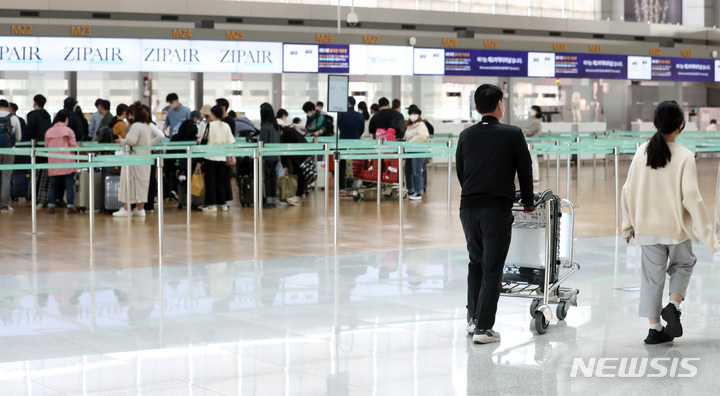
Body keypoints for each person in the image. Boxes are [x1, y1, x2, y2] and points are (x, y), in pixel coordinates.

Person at [622, 100, 719, 345]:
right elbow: (693, 199)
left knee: (651, 278)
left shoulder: (640, 151)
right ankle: (673, 306)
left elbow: (627, 190)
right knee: (684, 265)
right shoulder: (685, 156)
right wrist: (710, 237)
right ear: (681, 125)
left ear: (655, 124)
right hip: (676, 229)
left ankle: (655, 330)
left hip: (645, 228)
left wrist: (627, 225)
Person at [456, 84, 534, 344]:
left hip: (468, 207)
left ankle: (472, 320)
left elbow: (461, 170)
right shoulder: (512, 134)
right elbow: (524, 168)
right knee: (492, 268)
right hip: (495, 209)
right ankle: (484, 329)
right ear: (500, 105)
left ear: (477, 108)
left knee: (475, 262)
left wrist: (472, 193)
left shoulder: (466, 135)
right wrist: (527, 199)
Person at [113, 103, 164, 217]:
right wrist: (148, 145)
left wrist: (121, 141)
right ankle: (140, 209)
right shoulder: (147, 125)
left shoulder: (136, 126)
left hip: (133, 158)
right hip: (145, 157)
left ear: (132, 115)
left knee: (128, 181)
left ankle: (126, 209)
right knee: (142, 183)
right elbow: (160, 135)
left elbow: (131, 141)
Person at [200, 105, 235, 213]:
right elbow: (230, 142)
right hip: (222, 157)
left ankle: (211, 204)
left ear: (213, 114)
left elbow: (202, 140)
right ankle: (222, 204)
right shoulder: (226, 126)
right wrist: (229, 156)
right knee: (221, 181)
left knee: (210, 181)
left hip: (210, 156)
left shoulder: (209, 125)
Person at [44, 110, 78, 215]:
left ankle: (51, 206)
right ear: (66, 119)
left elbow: (47, 147)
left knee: (54, 185)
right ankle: (70, 206)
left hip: (53, 162)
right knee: (69, 185)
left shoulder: (48, 132)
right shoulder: (69, 131)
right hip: (67, 162)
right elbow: (73, 146)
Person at [27, 94, 52, 208]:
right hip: (47, 148)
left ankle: (32, 198)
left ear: (35, 103)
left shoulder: (32, 115)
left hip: (36, 148)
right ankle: (42, 200)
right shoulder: (47, 116)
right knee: (44, 176)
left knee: (35, 174)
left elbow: (29, 131)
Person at [337, 96, 365, 193]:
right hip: (355, 144)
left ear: (348, 103)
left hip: (342, 143)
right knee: (352, 165)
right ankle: (349, 186)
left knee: (342, 166)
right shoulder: (360, 116)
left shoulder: (340, 115)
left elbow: (339, 127)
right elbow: (362, 129)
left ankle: (341, 187)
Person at [0, 99, 22, 213]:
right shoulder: (13, 118)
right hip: (9, 150)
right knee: (6, 178)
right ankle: (4, 205)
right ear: (8, 106)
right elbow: (18, 137)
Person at [280, 125, 311, 206]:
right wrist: (285, 166)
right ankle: (297, 195)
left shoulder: (290, 132)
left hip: (301, 157)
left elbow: (301, 141)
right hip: (296, 158)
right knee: (298, 175)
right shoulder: (286, 134)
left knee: (301, 176)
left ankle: (298, 196)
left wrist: (307, 156)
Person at [405, 105, 430, 201]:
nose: (412, 115)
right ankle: (410, 190)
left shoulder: (421, 125)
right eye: (410, 114)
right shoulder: (410, 126)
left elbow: (423, 136)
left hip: (418, 150)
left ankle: (418, 191)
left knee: (416, 171)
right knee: (408, 171)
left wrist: (410, 142)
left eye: (414, 114)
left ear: (419, 115)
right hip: (409, 150)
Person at [259, 103, 281, 208]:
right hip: (275, 155)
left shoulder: (265, 126)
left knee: (266, 179)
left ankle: (268, 200)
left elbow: (262, 142)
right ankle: (273, 200)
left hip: (267, 156)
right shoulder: (275, 125)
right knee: (273, 178)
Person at [523, 105, 542, 185]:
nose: (531, 111)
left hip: (533, 143)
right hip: (530, 142)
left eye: (533, 110)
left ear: (537, 111)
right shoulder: (533, 120)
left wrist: (527, 131)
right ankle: (534, 178)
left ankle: (536, 179)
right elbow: (528, 131)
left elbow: (528, 132)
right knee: (532, 160)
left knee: (533, 160)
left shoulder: (536, 121)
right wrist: (527, 131)